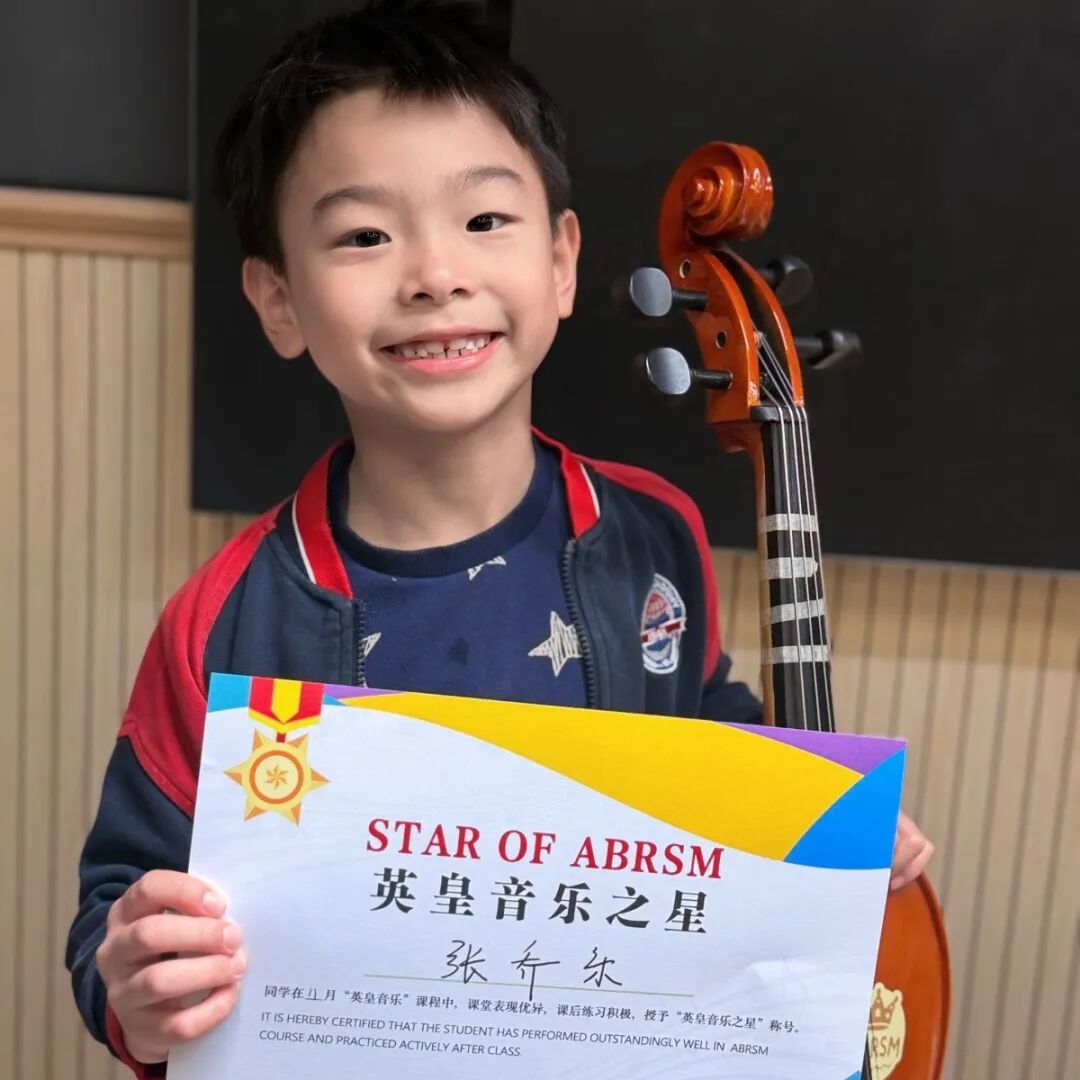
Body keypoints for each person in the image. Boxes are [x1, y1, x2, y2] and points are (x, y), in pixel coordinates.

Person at [65, 2, 934, 1074]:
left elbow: (701, 731)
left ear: (562, 263)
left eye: (484, 219)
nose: (436, 274)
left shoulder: (652, 537)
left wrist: (817, 813)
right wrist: (134, 984)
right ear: (279, 300)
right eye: (365, 235)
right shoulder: (224, 616)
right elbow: (117, 904)